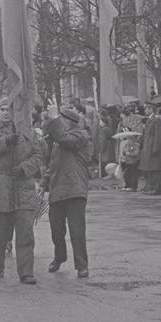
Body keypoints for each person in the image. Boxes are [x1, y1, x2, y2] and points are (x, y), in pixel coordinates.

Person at [0, 96, 42, 284]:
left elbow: (38, 155)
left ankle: (26, 272)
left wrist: (24, 168)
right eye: (3, 109)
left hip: (22, 185)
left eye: (10, 109)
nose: (6, 113)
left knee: (25, 232)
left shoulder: (27, 130)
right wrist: (6, 141)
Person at [42, 102, 90, 279]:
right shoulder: (59, 139)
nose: (58, 123)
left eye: (61, 120)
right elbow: (54, 164)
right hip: (58, 188)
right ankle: (59, 257)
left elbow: (63, 138)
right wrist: (44, 181)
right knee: (56, 229)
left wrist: (54, 118)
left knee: (77, 230)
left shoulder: (80, 135)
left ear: (69, 122)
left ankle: (82, 266)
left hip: (75, 188)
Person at [138, 101, 161, 194]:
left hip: (153, 147)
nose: (145, 110)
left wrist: (156, 148)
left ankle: (155, 188)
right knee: (148, 169)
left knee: (155, 169)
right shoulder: (149, 119)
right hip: (147, 147)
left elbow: (158, 135)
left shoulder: (156, 119)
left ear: (151, 109)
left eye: (147, 108)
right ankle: (150, 186)